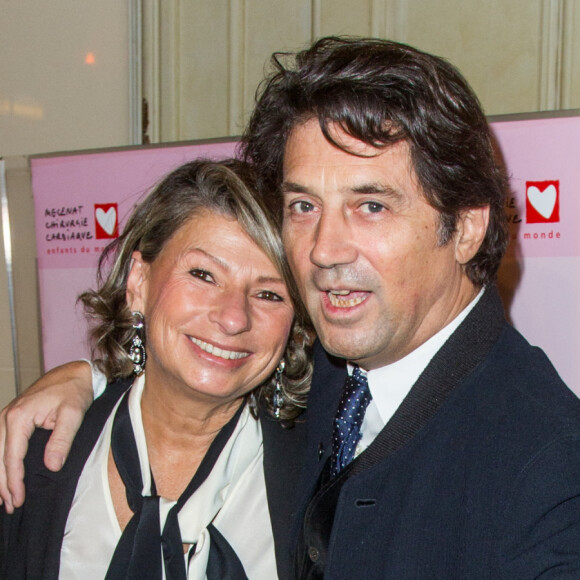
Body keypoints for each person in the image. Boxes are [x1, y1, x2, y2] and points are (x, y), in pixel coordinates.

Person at [3, 36, 580, 578]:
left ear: (467, 229)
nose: (324, 250)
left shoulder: (551, 475)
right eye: (303, 204)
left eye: (371, 206)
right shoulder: (337, 371)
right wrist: (89, 378)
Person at [0, 158, 313, 579]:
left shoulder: (321, 480)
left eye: (270, 294)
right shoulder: (33, 460)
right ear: (139, 283)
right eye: (204, 274)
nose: (234, 317)